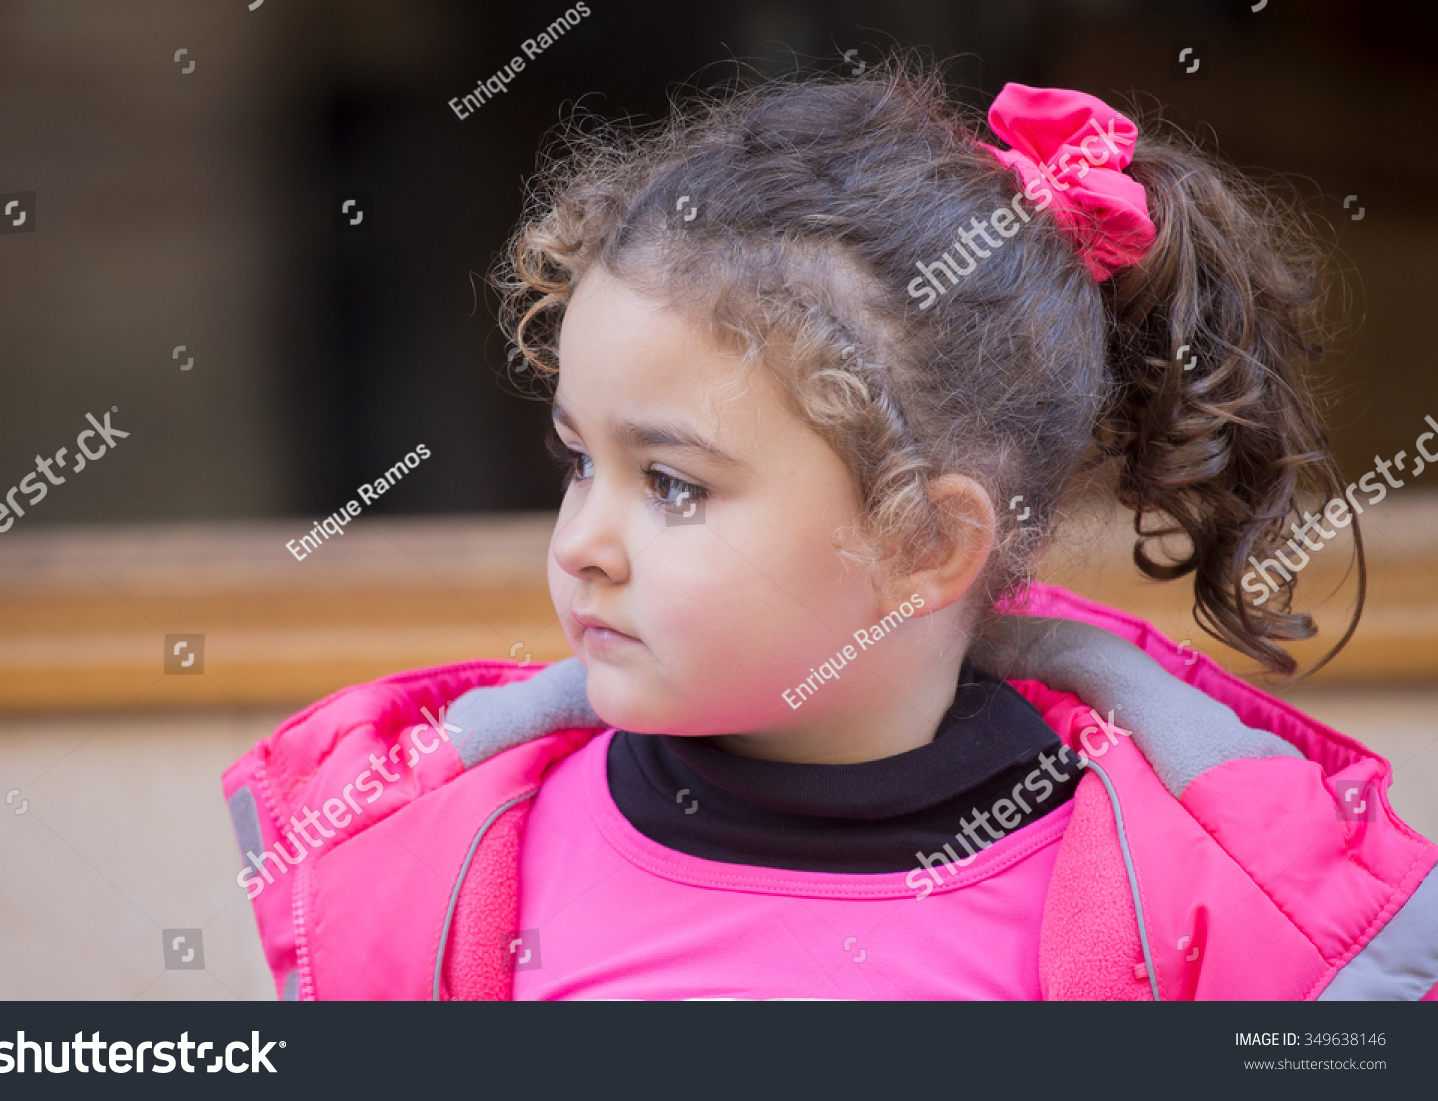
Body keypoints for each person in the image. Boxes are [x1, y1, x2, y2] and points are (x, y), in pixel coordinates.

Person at [223, 57, 1437, 1001]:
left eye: (675, 485)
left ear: (923, 545)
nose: (584, 542)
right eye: (577, 462)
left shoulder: (1183, 917)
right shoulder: (454, 866)